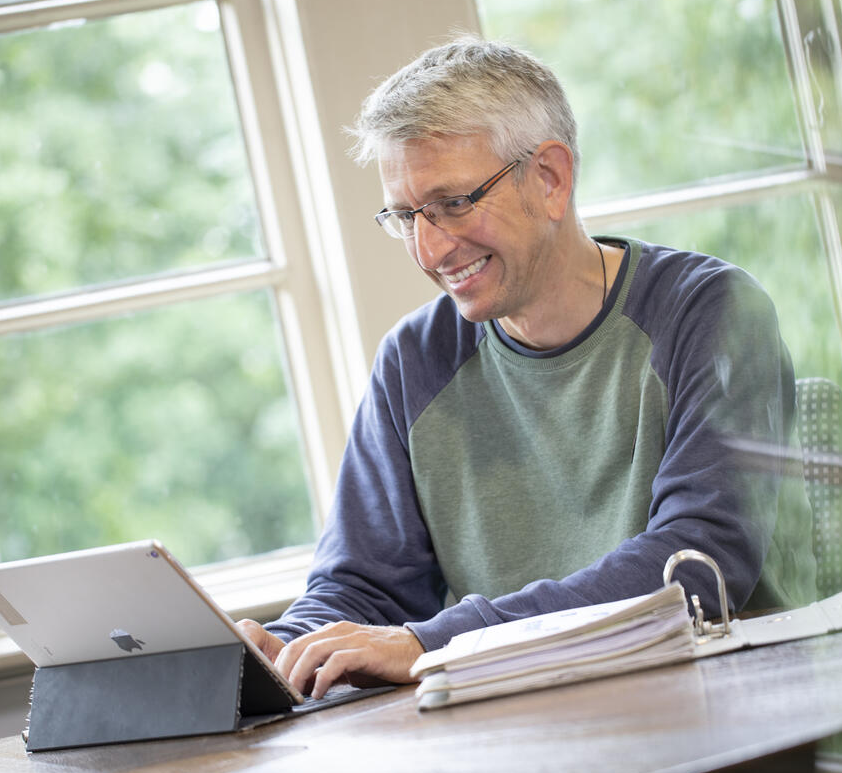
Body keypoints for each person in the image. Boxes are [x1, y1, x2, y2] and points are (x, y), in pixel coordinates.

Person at [239, 36, 808, 698]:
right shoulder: (414, 360)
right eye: (405, 216)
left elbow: (695, 566)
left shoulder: (710, 312)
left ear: (550, 179)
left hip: (720, 730)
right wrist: (291, 645)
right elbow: (364, 585)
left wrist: (437, 641)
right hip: (524, 742)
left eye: (453, 203)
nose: (429, 248)